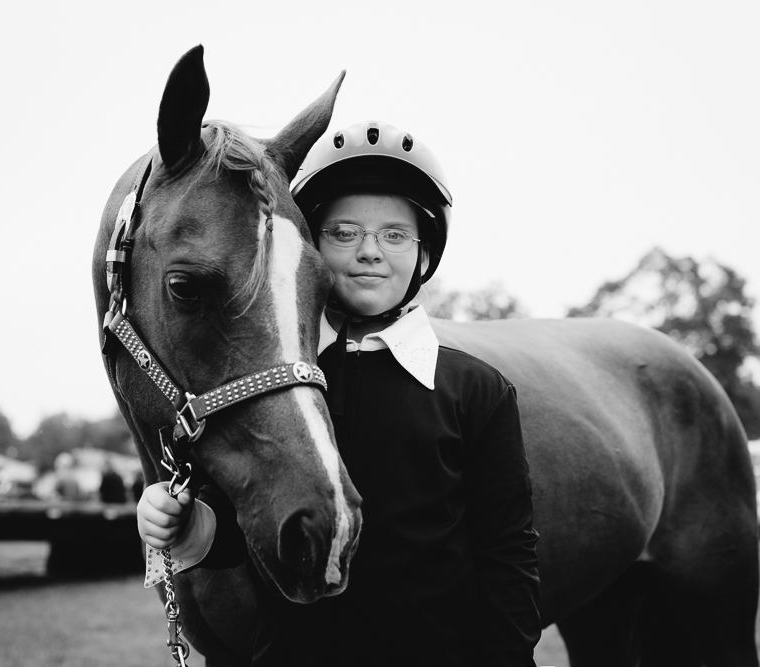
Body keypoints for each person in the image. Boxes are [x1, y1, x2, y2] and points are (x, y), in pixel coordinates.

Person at [137, 122, 541, 666]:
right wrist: (186, 524)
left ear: (424, 254)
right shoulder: (276, 382)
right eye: (344, 233)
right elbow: (243, 522)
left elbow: (506, 549)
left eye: (395, 235)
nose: (370, 252)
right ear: (310, 248)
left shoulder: (476, 389)